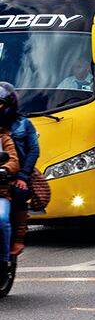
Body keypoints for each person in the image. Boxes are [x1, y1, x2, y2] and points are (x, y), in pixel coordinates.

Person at [0, 83, 36, 257]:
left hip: (14, 176)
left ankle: (18, 238)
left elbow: (33, 151)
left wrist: (22, 175)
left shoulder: (23, 124)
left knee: (20, 193)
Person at [0, 114, 18, 267]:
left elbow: (14, 160)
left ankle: (4, 261)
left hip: (1, 194)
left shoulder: (3, 138)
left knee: (2, 219)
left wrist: (5, 169)